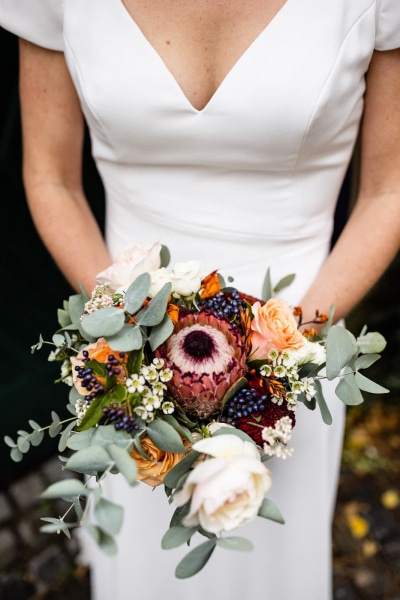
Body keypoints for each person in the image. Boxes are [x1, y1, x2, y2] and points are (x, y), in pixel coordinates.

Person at [1, 1, 400, 599]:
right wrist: (134, 343)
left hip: (301, 340)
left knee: (270, 565)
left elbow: (388, 191)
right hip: (128, 351)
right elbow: (50, 178)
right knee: (142, 560)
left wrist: (285, 358)